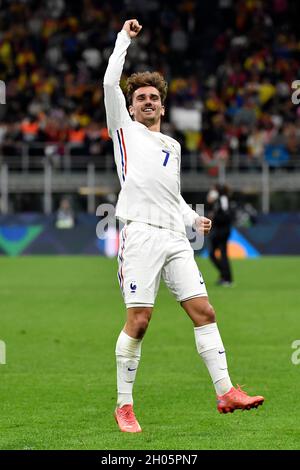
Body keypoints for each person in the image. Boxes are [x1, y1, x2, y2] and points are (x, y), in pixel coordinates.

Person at [103, 19, 264, 433]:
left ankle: (225, 391)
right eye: (140, 97)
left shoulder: (172, 146)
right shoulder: (123, 130)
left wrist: (192, 217)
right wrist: (124, 39)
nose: (148, 102)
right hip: (139, 233)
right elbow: (108, 82)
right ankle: (124, 404)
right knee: (139, 321)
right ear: (131, 106)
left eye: (154, 97)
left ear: (163, 103)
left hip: (175, 237)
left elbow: (170, 194)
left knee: (204, 311)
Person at [207, 184, 233, 286]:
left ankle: (227, 278)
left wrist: (214, 217)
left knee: (222, 255)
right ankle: (224, 275)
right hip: (218, 231)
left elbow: (226, 216)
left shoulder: (223, 199)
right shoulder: (218, 200)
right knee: (213, 254)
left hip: (222, 231)